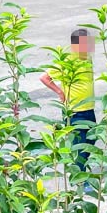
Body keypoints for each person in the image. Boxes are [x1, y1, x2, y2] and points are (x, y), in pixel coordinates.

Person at [40, 29, 96, 176]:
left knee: (91, 141)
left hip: (89, 108)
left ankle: (79, 170)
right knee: (79, 147)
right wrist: (59, 92)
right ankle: (81, 179)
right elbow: (45, 77)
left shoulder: (88, 57)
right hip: (75, 111)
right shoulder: (67, 60)